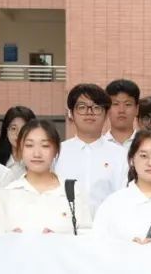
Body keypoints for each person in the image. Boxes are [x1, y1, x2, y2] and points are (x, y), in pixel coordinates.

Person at [0, 119, 91, 236]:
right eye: (29, 145)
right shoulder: (6, 195)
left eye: (45, 146)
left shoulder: (74, 192)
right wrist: (11, 240)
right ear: (20, 149)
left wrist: (60, 240)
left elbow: (87, 240)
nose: (37, 154)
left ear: (56, 150)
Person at [55, 83, 129, 213]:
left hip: (108, 224)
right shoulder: (57, 153)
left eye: (96, 107)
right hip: (64, 224)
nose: (89, 112)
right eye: (82, 107)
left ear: (106, 114)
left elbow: (124, 198)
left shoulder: (121, 155)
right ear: (71, 113)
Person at [102, 78, 140, 149]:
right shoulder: (98, 145)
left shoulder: (144, 144)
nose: (121, 110)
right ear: (107, 109)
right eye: (115, 104)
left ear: (137, 109)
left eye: (128, 104)